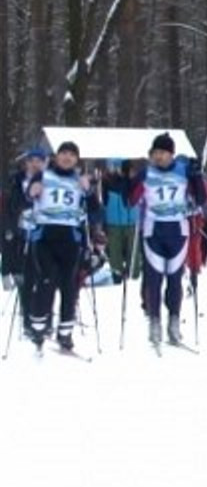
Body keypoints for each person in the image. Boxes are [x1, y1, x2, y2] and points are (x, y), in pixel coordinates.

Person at [126, 133, 207, 346]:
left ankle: (174, 321)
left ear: (171, 154)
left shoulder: (184, 171)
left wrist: (197, 176)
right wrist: (128, 180)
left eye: (163, 153)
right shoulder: (147, 173)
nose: (159, 157)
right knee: (153, 279)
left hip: (178, 231)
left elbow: (201, 199)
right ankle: (154, 321)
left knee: (175, 279)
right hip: (153, 231)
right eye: (155, 153)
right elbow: (130, 199)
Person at [24, 141, 104, 351]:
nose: (67, 158)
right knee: (46, 280)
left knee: (69, 285)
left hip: (70, 239)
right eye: (63, 154)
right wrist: (32, 191)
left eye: (72, 155)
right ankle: (39, 327)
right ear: (57, 156)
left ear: (77, 160)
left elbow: (96, 211)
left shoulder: (80, 180)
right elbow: (27, 197)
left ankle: (65, 333)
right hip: (44, 238)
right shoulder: (44, 175)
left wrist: (88, 192)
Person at [2, 149, 46, 339]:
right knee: (25, 280)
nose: (35, 164)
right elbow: (9, 211)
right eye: (32, 160)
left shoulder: (51, 182)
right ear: (26, 163)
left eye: (39, 161)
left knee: (44, 280)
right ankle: (27, 319)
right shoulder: (16, 182)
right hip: (21, 237)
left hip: (45, 236)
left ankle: (43, 319)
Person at [102, 159, 141, 283]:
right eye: (113, 167)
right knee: (115, 252)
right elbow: (104, 199)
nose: (115, 170)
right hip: (113, 221)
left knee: (133, 251)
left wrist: (129, 179)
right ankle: (117, 275)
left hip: (132, 221)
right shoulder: (107, 181)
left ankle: (133, 276)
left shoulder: (134, 182)